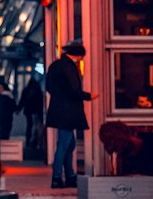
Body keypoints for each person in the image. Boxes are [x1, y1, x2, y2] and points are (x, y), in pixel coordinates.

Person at [45, 40, 97, 189]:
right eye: (81, 57)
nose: (81, 60)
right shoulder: (70, 68)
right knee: (64, 144)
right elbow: (74, 90)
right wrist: (88, 96)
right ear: (77, 55)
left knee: (69, 144)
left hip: (58, 109)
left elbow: (49, 87)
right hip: (68, 111)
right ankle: (58, 177)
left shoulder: (55, 66)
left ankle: (70, 175)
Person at [19, 76, 45, 147]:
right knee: (37, 127)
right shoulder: (38, 91)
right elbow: (40, 103)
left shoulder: (26, 91)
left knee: (29, 126)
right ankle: (36, 142)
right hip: (37, 112)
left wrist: (18, 109)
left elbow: (22, 101)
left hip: (28, 112)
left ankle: (28, 141)